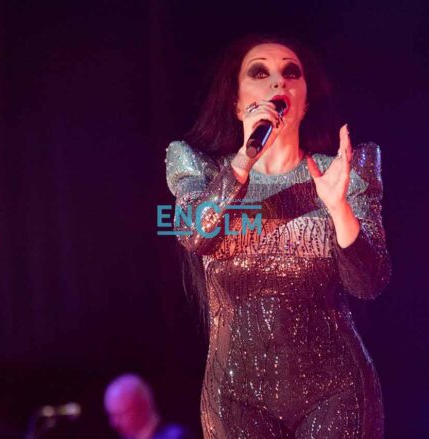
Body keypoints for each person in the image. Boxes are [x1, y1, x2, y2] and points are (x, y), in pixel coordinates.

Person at [165, 34, 391, 438]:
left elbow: (370, 281)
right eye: (260, 73)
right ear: (237, 102)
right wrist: (244, 161)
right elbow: (196, 233)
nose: (277, 82)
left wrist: (338, 207)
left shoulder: (344, 171)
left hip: (336, 392)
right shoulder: (199, 169)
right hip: (236, 397)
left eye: (291, 73)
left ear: (304, 101)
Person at [104, 374, 194, 439]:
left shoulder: (177, 437)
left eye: (120, 415)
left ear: (141, 406)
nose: (114, 423)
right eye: (111, 415)